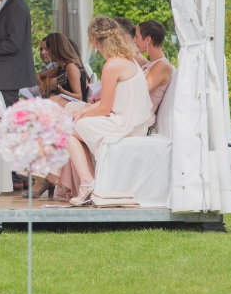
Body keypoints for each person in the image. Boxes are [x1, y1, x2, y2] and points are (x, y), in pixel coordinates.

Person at [63, 16, 153, 205]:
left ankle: (87, 182)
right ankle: (89, 182)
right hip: (134, 123)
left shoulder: (112, 65)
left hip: (125, 125)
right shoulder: (128, 59)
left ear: (95, 41)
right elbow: (106, 103)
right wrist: (80, 113)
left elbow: (104, 108)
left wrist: (80, 117)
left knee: (66, 130)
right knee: (75, 126)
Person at [133, 20, 173, 125]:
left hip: (140, 121)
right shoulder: (151, 63)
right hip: (134, 116)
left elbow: (139, 91)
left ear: (148, 40)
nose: (134, 41)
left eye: (136, 37)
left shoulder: (162, 66)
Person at [36, 33, 88, 106]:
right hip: (67, 104)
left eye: (48, 49)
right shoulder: (61, 67)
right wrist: (41, 83)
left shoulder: (70, 66)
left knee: (51, 100)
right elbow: (38, 75)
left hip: (77, 106)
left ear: (54, 49)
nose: (48, 53)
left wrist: (61, 90)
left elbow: (79, 97)